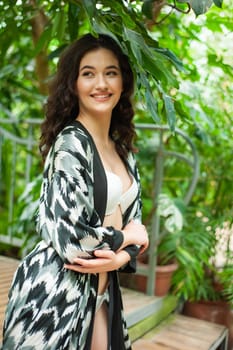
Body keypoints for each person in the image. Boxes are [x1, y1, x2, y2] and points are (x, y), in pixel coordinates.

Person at [2, 33, 149, 350]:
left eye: (111, 72)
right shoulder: (69, 144)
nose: (101, 83)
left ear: (123, 82)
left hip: (102, 291)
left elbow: (135, 223)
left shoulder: (123, 151)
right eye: (88, 73)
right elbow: (72, 239)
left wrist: (119, 256)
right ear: (73, 84)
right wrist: (127, 240)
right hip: (56, 295)